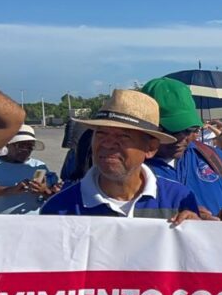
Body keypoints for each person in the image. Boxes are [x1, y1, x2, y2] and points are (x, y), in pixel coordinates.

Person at [41, 90, 199, 222]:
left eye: (123, 137)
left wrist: (197, 232)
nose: (108, 144)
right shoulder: (58, 208)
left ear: (150, 148)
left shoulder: (179, 199)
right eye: (101, 134)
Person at [141, 77, 222, 222]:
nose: (184, 137)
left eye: (190, 129)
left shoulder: (213, 157)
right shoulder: (130, 168)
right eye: (173, 130)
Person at [0, 124, 60, 214]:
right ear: (7, 144)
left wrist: (43, 191)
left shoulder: (39, 166)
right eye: (20, 145)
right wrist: (10, 190)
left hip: (33, 223)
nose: (25, 150)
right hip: (2, 223)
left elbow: (54, 198)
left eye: (29, 147)